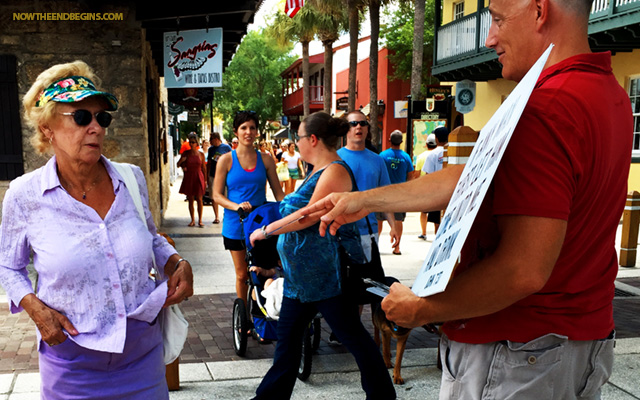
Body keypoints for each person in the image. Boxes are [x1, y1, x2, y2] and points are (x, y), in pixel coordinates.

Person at [304, 0, 632, 398]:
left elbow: (523, 269)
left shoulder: (543, 109)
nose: (490, 38)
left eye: (496, 19)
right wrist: (364, 201)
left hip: (515, 353)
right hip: (582, 340)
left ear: (540, 11)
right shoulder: (608, 94)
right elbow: (476, 177)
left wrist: (422, 308)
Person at [0, 60, 194, 399]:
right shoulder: (24, 195)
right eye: (81, 117)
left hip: (142, 354)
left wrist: (177, 262)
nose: (97, 128)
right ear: (47, 128)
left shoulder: (130, 179)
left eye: (102, 117)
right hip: (72, 362)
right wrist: (35, 308)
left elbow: (151, 239)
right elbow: (8, 266)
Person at [249, 112, 396, 400]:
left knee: (355, 339)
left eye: (299, 138)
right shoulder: (316, 170)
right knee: (287, 346)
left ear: (312, 139)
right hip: (300, 279)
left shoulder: (335, 171)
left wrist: (265, 231)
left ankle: (382, 396)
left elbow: (307, 216)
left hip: (326, 277)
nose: (297, 143)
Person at [213, 111, 284, 306]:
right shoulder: (226, 160)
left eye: (252, 127)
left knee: (262, 269)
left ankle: (261, 314)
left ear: (257, 132)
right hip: (236, 225)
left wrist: (292, 211)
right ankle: (243, 316)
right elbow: (217, 195)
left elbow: (279, 194)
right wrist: (236, 207)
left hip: (260, 226)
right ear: (236, 131)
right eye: (243, 128)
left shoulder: (266, 159)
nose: (248, 132)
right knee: (242, 273)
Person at [337, 110, 398, 262]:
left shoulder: (378, 161)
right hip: (340, 232)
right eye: (353, 123)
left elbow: (385, 196)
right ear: (346, 129)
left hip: (368, 232)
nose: (359, 127)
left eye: (363, 123)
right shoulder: (335, 158)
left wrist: (393, 226)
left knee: (368, 280)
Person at [377, 130, 413, 255]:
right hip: (399, 193)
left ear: (389, 140)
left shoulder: (382, 155)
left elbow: (378, 172)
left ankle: (375, 245)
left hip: (384, 191)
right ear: (401, 142)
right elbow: (410, 175)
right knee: (398, 220)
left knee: (379, 219)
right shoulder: (406, 157)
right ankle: (397, 247)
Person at [421, 127, 450, 238]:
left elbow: (429, 176)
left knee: (437, 223)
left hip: (437, 193)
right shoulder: (452, 151)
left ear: (436, 139)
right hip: (451, 191)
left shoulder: (432, 155)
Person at [177, 132, 207, 227]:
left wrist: (205, 180)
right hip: (189, 176)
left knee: (199, 199)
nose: (191, 144)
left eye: (193, 142)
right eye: (190, 142)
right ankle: (192, 220)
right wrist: (183, 163)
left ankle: (200, 220)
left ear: (197, 143)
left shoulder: (201, 154)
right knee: (190, 199)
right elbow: (178, 164)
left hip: (198, 176)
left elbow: (204, 168)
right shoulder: (186, 153)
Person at [415, 133, 438, 240]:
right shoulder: (440, 154)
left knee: (423, 212)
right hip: (437, 188)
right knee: (437, 212)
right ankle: (436, 234)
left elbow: (417, 174)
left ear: (426, 144)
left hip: (425, 188)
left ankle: (424, 232)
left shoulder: (421, 157)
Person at [207, 131, 232, 224]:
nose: (210, 142)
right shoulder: (211, 149)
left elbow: (232, 160)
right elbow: (209, 163)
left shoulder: (226, 147)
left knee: (226, 196)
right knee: (214, 196)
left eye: (211, 139)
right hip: (214, 175)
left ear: (216, 139)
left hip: (225, 175)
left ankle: (227, 215)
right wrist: (207, 176)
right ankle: (216, 216)